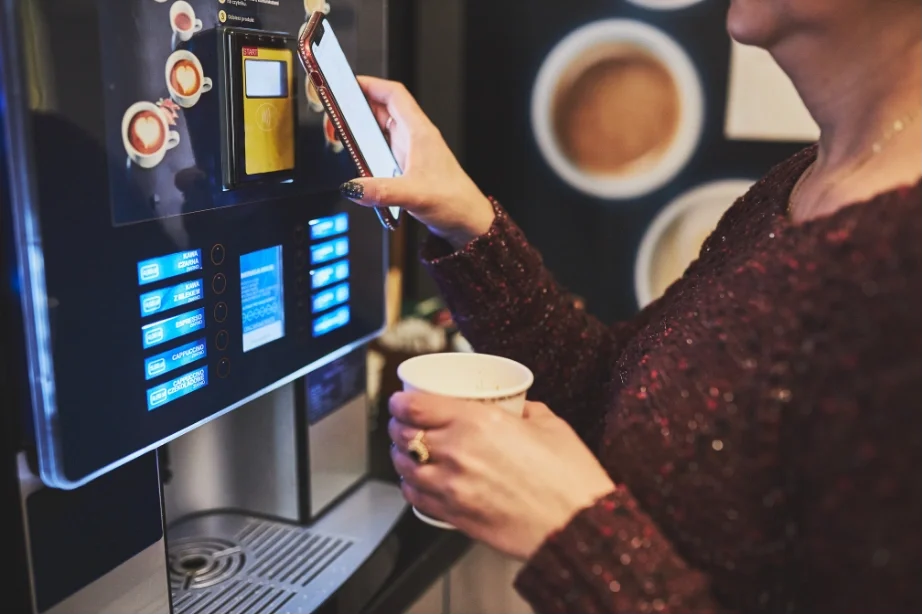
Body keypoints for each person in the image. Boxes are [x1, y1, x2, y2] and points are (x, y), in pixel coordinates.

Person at [340, 0, 922, 612]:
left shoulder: (900, 256)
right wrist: (467, 223)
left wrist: (572, 533)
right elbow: (612, 388)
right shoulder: (805, 179)